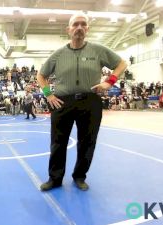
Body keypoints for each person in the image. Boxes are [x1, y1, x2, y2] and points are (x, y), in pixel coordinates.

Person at [36, 12, 127, 191]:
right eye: (75, 24)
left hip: (90, 102)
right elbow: (41, 75)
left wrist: (110, 81)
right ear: (68, 29)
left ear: (87, 29)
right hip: (62, 102)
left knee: (87, 142)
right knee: (58, 142)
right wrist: (48, 94)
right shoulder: (58, 54)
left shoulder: (98, 50)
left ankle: (79, 176)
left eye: (82, 24)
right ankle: (55, 179)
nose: (79, 27)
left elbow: (122, 63)